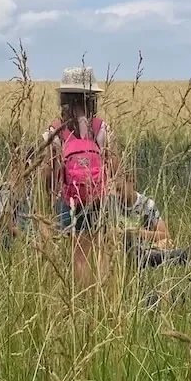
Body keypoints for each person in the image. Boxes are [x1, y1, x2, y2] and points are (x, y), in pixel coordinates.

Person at [40, 67, 113, 290]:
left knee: (78, 254)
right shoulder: (101, 128)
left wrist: (50, 196)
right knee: (101, 248)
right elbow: (113, 164)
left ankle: (82, 296)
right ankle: (103, 296)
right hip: (98, 197)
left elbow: (49, 171)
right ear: (92, 98)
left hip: (69, 198)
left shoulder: (55, 130)